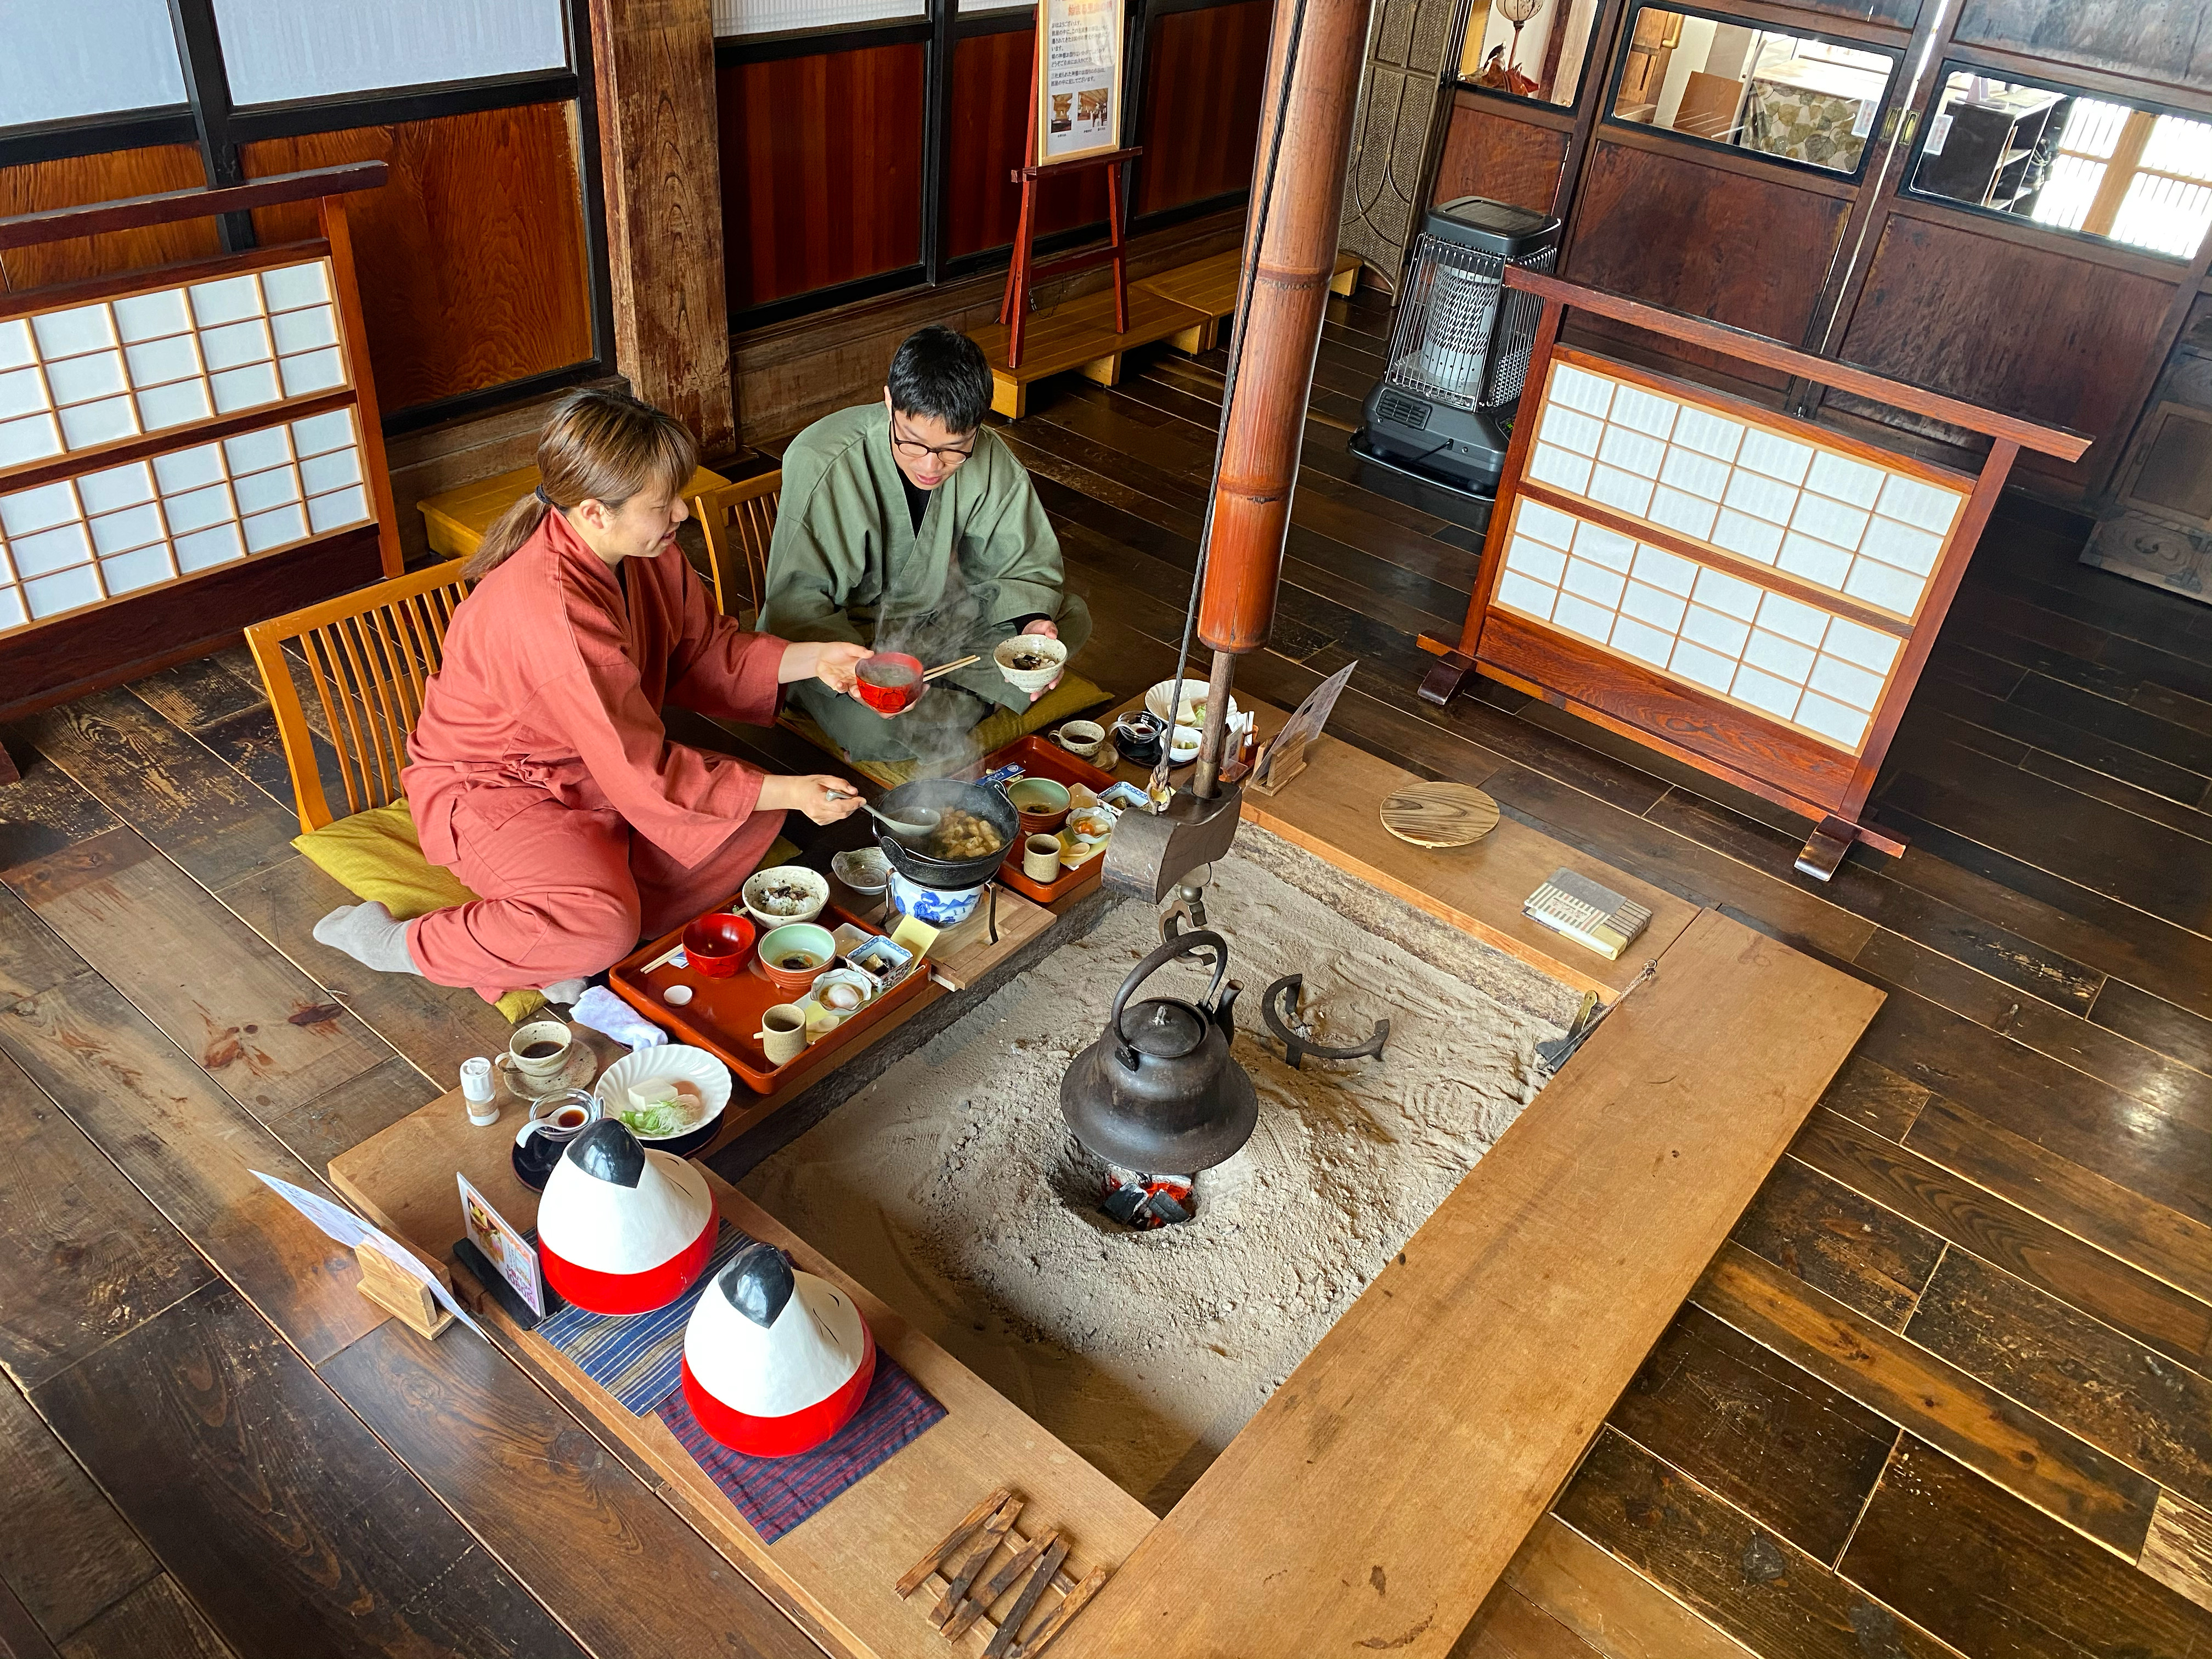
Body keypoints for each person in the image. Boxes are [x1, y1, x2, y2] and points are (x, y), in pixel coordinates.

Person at [312, 389, 867, 1005]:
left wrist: (815, 660)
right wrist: (793, 789)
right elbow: (636, 765)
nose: (682, 512)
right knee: (606, 924)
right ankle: (398, 944)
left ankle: (552, 941)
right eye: (665, 503)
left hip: (594, 766)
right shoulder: (549, 608)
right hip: (497, 790)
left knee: (748, 817)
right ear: (595, 511)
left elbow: (704, 653)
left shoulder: (645, 551)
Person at [760, 325, 1091, 764]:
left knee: (1069, 618)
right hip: (844, 646)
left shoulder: (989, 457)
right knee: (872, 732)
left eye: (954, 450)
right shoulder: (823, 458)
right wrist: (867, 676)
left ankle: (948, 703)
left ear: (978, 425)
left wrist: (1032, 624)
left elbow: (1021, 567)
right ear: (889, 402)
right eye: (912, 444)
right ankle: (971, 700)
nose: (931, 466)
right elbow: (797, 607)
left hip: (934, 626)